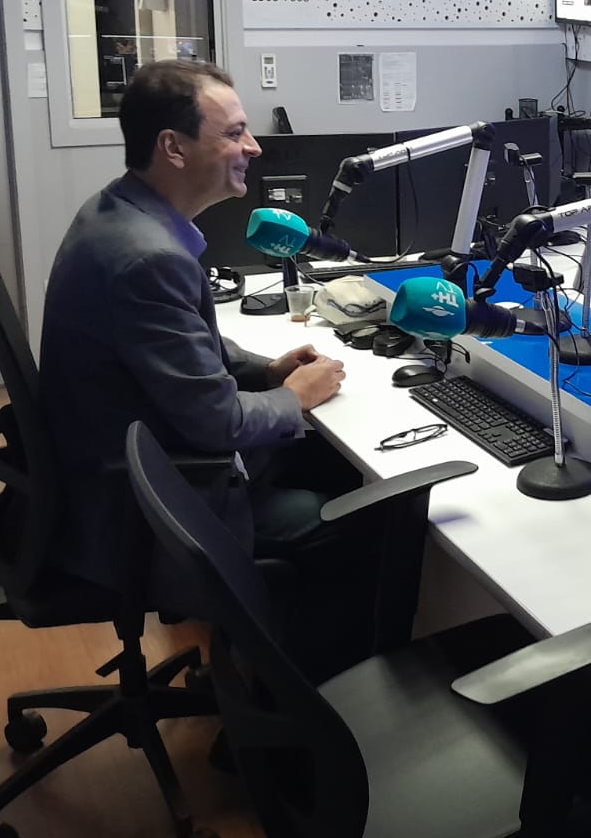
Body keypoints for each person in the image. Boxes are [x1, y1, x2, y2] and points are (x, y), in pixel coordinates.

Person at [40, 59, 374, 678]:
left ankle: (262, 668)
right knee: (361, 521)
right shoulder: (149, 259)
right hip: (146, 507)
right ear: (173, 147)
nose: (253, 147)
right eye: (234, 133)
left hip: (120, 464)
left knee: (332, 463)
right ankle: (300, 710)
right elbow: (217, 423)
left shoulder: (119, 213)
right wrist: (296, 398)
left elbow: (188, 352)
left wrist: (268, 371)